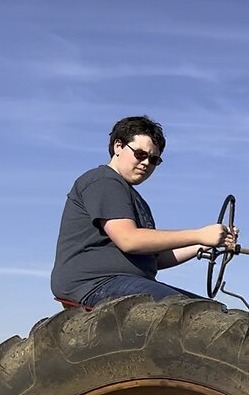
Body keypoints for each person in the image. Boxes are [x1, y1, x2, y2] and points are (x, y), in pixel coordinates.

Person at [51, 116, 237, 307]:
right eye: (140, 154)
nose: (146, 163)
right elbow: (129, 240)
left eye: (154, 159)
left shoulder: (135, 199)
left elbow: (157, 259)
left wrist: (204, 243)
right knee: (198, 314)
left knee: (215, 309)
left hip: (125, 282)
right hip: (95, 283)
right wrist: (199, 234)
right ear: (118, 146)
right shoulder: (104, 181)